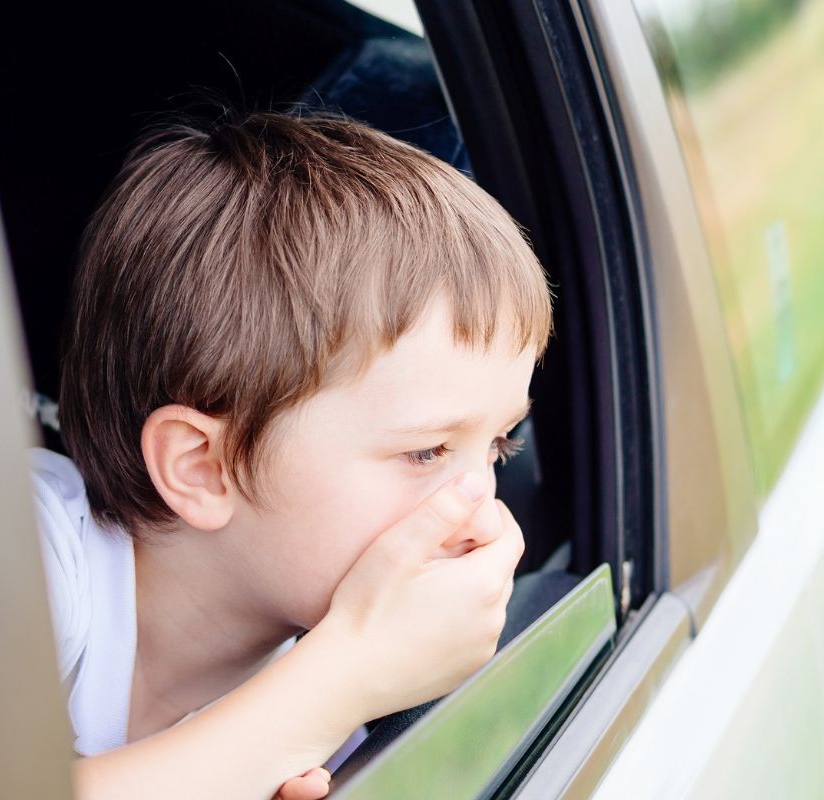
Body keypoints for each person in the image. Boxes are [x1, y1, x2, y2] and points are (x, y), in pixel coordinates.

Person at [32, 110, 551, 799]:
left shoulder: (332, 731)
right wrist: (347, 676)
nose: (485, 516)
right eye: (427, 452)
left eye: (498, 446)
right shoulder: (19, 560)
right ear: (204, 467)